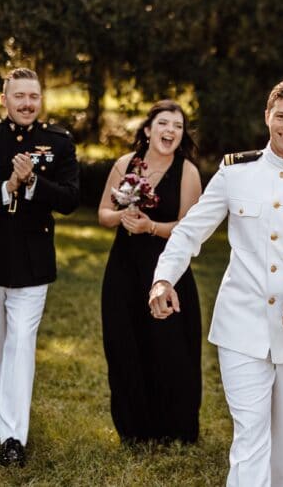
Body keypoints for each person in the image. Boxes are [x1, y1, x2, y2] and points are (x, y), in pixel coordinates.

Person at [148, 80, 283, 487]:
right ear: (267, 117)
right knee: (250, 435)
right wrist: (163, 277)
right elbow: (190, 230)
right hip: (241, 324)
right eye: (280, 116)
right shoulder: (234, 171)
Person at [0, 67, 80, 466]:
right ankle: (0, 399)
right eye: (19, 96)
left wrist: (34, 185)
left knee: (20, 345)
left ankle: (12, 437)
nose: (27, 103)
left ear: (41, 101)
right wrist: (5, 186)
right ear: (4, 100)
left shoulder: (58, 142)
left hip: (32, 263)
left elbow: (72, 198)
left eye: (34, 96)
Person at [98, 100, 203, 443]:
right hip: (124, 267)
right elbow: (103, 214)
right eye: (163, 123)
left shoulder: (187, 172)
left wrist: (151, 227)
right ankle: (133, 428)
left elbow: (190, 228)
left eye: (177, 126)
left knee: (170, 347)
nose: (170, 130)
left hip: (168, 271)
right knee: (124, 342)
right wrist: (123, 218)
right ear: (148, 130)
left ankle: (175, 429)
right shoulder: (124, 164)